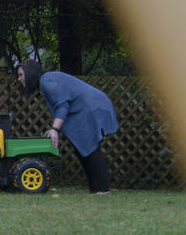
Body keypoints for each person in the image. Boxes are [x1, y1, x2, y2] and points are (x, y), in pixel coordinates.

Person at [17, 59, 118, 194]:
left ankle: (103, 189)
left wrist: (55, 129)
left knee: (91, 148)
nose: (19, 79)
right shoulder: (46, 81)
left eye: (21, 75)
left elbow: (63, 105)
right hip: (88, 107)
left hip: (92, 107)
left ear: (30, 73)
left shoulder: (47, 81)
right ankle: (95, 190)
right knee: (83, 149)